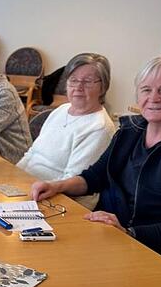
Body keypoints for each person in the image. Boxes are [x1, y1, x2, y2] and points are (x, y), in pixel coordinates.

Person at [31, 55, 161, 283]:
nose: (153, 98)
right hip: (119, 240)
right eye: (146, 90)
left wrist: (130, 233)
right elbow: (95, 177)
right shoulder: (131, 131)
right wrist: (56, 186)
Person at [16, 53, 117, 209]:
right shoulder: (61, 110)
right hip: (30, 188)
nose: (78, 87)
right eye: (73, 80)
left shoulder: (99, 128)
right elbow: (32, 154)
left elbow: (71, 182)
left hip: (61, 202)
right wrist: (13, 178)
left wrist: (27, 193)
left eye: (87, 82)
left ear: (103, 87)